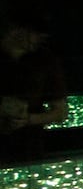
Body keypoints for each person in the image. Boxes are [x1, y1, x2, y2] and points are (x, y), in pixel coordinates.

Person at [0, 11, 68, 163]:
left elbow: (61, 112)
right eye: (37, 35)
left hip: (29, 147)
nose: (39, 40)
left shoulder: (46, 60)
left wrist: (28, 120)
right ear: (17, 29)